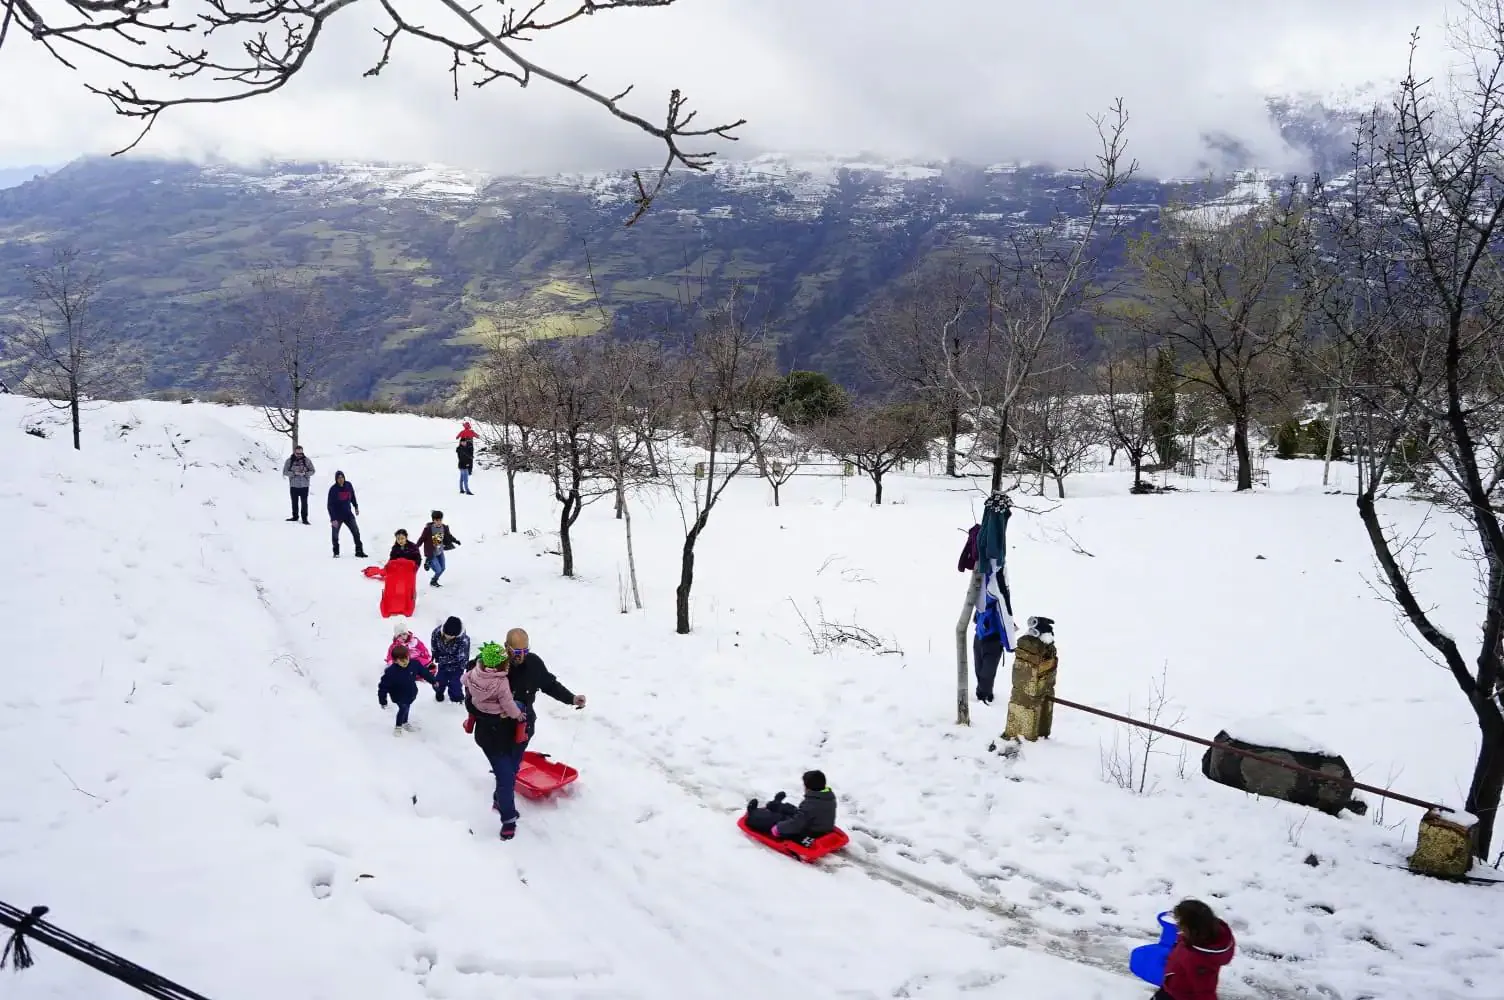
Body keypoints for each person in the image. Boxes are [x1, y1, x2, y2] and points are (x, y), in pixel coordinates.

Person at [462, 627, 585, 841]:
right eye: (516, 652)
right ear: (506, 647)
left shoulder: (533, 664)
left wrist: (572, 699)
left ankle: (501, 799)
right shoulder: (488, 667)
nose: (521, 657)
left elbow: (550, 685)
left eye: (525, 651)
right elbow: (471, 702)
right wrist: (496, 716)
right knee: (506, 777)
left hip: (522, 731)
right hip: (492, 734)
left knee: (512, 769)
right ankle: (508, 820)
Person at [1155, 899, 1235, 1000]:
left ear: (1192, 928)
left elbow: (1205, 992)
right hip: (1174, 983)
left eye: (1181, 924)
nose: (1178, 927)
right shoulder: (1209, 932)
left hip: (1179, 995)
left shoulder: (1198, 960)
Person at [745, 770, 837, 842]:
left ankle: (753, 814)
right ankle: (775, 804)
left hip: (806, 832)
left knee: (775, 818)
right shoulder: (828, 797)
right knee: (791, 809)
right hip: (815, 825)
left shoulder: (811, 804)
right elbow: (805, 814)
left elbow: (796, 824)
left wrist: (778, 828)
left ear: (808, 788)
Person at [378, 644, 436, 735]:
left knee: (407, 707)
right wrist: (383, 700)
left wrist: (433, 681)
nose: (405, 662)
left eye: (407, 658)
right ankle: (398, 727)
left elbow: (424, 672)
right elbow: (383, 687)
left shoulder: (414, 664)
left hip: (411, 693)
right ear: (395, 661)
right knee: (403, 708)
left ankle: (404, 722)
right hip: (398, 696)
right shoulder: (391, 672)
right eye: (401, 660)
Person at [429, 616, 471, 703]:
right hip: (442, 664)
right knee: (439, 680)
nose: (448, 637)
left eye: (451, 636)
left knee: (455, 684)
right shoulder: (437, 632)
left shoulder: (464, 640)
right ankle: (439, 692)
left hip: (458, 666)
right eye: (446, 634)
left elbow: (459, 656)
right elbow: (434, 644)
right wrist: (435, 654)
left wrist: (441, 659)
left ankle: (456, 698)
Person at [327, 471, 367, 558]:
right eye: (339, 478)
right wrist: (333, 518)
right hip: (337, 517)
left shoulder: (348, 485)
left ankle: (359, 551)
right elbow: (330, 505)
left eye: (342, 477)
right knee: (335, 535)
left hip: (348, 514)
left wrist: (356, 506)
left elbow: (352, 497)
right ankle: (336, 552)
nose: (341, 480)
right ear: (336, 479)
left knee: (356, 532)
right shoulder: (333, 489)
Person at [419, 510, 460, 588]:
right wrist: (416, 547)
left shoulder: (443, 527)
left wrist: (456, 541)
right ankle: (428, 562)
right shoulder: (428, 529)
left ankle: (434, 581)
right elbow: (422, 539)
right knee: (438, 570)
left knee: (443, 568)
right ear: (433, 520)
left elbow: (449, 536)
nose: (439, 522)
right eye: (437, 520)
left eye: (440, 520)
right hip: (432, 553)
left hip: (440, 551)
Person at [282, 445, 316, 524]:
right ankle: (295, 516)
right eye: (298, 453)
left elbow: (313, 471)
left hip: (304, 485)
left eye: (301, 453)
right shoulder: (289, 461)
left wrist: (305, 473)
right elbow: (284, 472)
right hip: (293, 485)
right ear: (294, 452)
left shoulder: (307, 461)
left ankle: (305, 519)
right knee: (294, 501)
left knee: (304, 502)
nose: (299, 455)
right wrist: (294, 473)